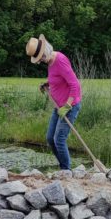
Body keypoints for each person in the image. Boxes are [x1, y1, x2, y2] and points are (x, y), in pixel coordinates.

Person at [25, 34, 82, 170]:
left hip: (70, 106)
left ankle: (66, 170)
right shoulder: (50, 61)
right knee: (50, 138)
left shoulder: (60, 61)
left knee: (59, 139)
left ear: (45, 52)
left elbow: (75, 85)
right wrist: (47, 84)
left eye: (41, 58)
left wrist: (67, 106)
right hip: (58, 106)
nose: (40, 61)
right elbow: (57, 78)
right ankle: (63, 165)